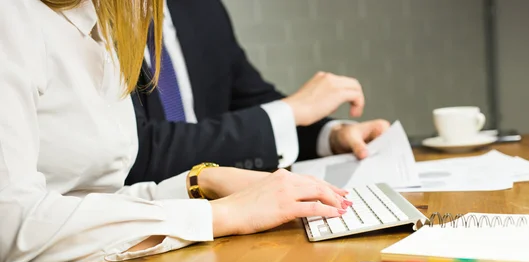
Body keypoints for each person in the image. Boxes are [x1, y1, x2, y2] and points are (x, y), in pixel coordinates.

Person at [0, 0, 352, 262]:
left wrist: (199, 182)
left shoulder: (96, 25)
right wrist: (218, 216)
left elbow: (95, 196)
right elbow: (13, 227)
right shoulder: (14, 19)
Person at [126, 0, 391, 185]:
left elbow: (250, 101)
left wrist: (331, 135)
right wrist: (291, 110)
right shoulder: (92, 30)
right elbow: (139, 151)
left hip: (225, 209)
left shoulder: (201, 8)